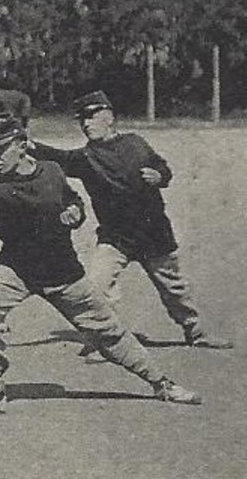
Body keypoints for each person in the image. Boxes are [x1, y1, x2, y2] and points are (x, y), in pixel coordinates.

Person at [0, 114, 204, 419]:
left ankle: (161, 383)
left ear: (21, 146)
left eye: (0, 150)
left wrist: (76, 211)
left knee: (109, 332)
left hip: (63, 272)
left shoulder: (52, 172)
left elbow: (73, 199)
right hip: (16, 270)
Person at [31, 90, 230, 351]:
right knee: (97, 285)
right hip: (116, 237)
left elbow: (163, 167)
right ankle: (106, 338)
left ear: (109, 117)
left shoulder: (136, 143)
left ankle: (197, 331)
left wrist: (159, 176)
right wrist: (29, 146)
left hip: (153, 232)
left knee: (174, 289)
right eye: (82, 120)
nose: (86, 124)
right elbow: (60, 158)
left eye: (92, 116)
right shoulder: (85, 158)